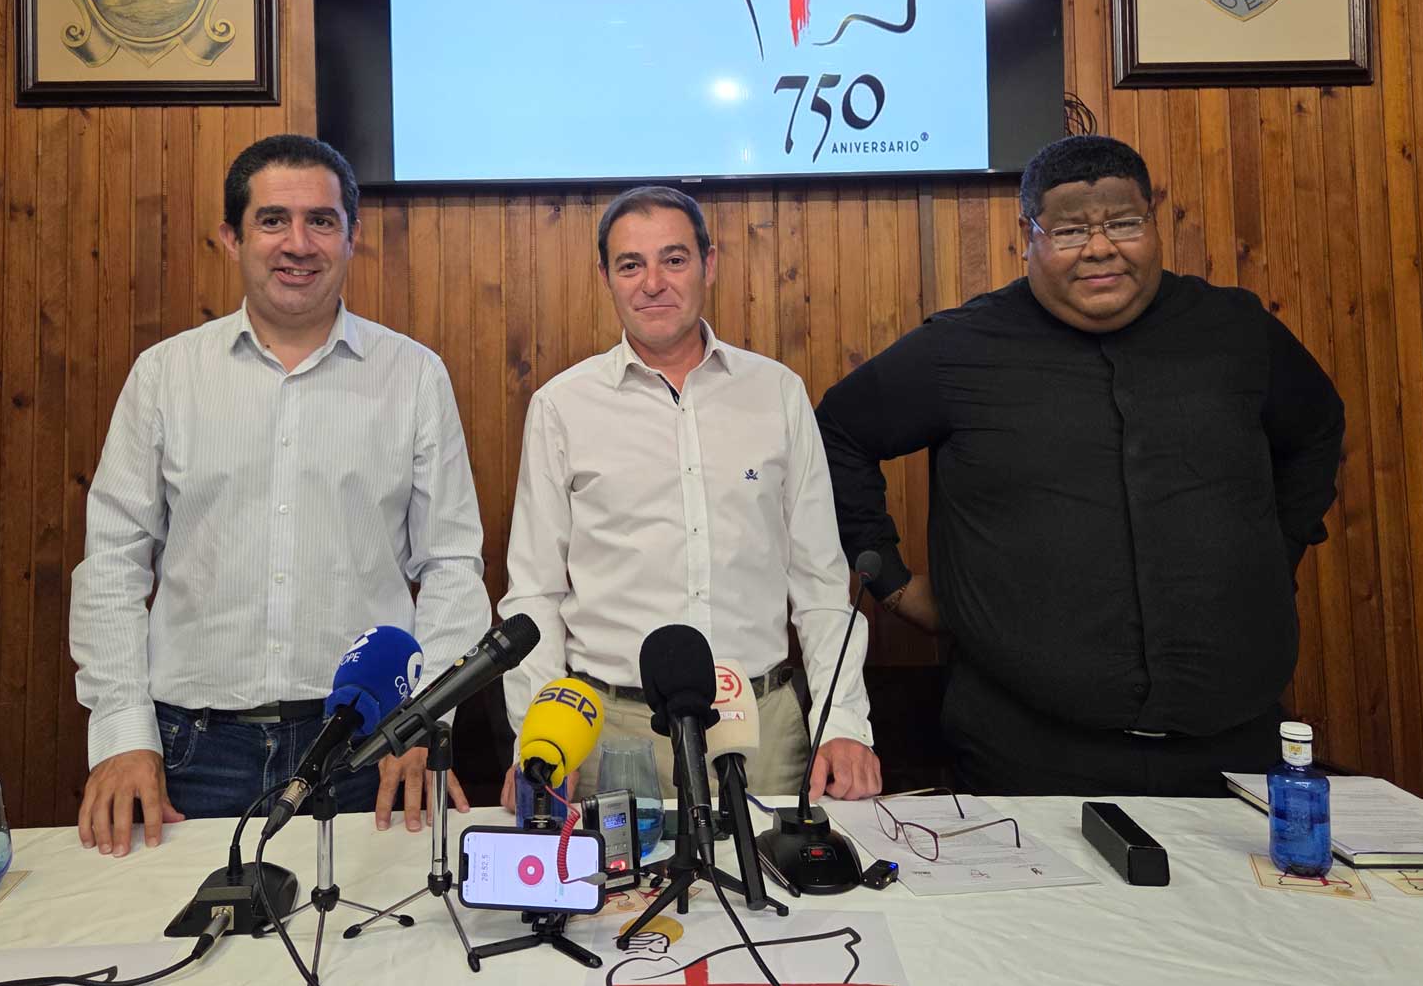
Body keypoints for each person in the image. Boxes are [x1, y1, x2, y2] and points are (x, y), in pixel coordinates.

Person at [815, 135, 1345, 796]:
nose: (1100, 248)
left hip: (1234, 741)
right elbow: (837, 430)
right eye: (1069, 230)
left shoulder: (1235, 332)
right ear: (1028, 237)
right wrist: (889, 578)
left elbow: (1318, 429)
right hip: (1026, 749)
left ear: (1152, 224)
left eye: (1123, 223)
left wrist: (1276, 548)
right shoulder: (961, 348)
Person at [69, 134, 490, 856]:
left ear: (352, 237)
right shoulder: (165, 376)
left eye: (321, 221)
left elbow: (452, 564)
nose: (298, 243)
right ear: (232, 238)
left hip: (370, 752)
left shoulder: (413, 376)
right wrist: (120, 733)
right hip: (188, 754)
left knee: (370, 955)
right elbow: (111, 563)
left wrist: (420, 721)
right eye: (273, 221)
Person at [498, 186, 881, 805]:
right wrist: (538, 743)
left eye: (674, 260)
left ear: (709, 261)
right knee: (621, 905)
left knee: (776, 901)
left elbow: (819, 581)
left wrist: (843, 723)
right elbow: (534, 595)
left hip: (762, 727)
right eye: (631, 265)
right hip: (609, 730)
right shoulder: (562, 406)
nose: (653, 283)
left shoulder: (777, 393)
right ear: (606, 277)